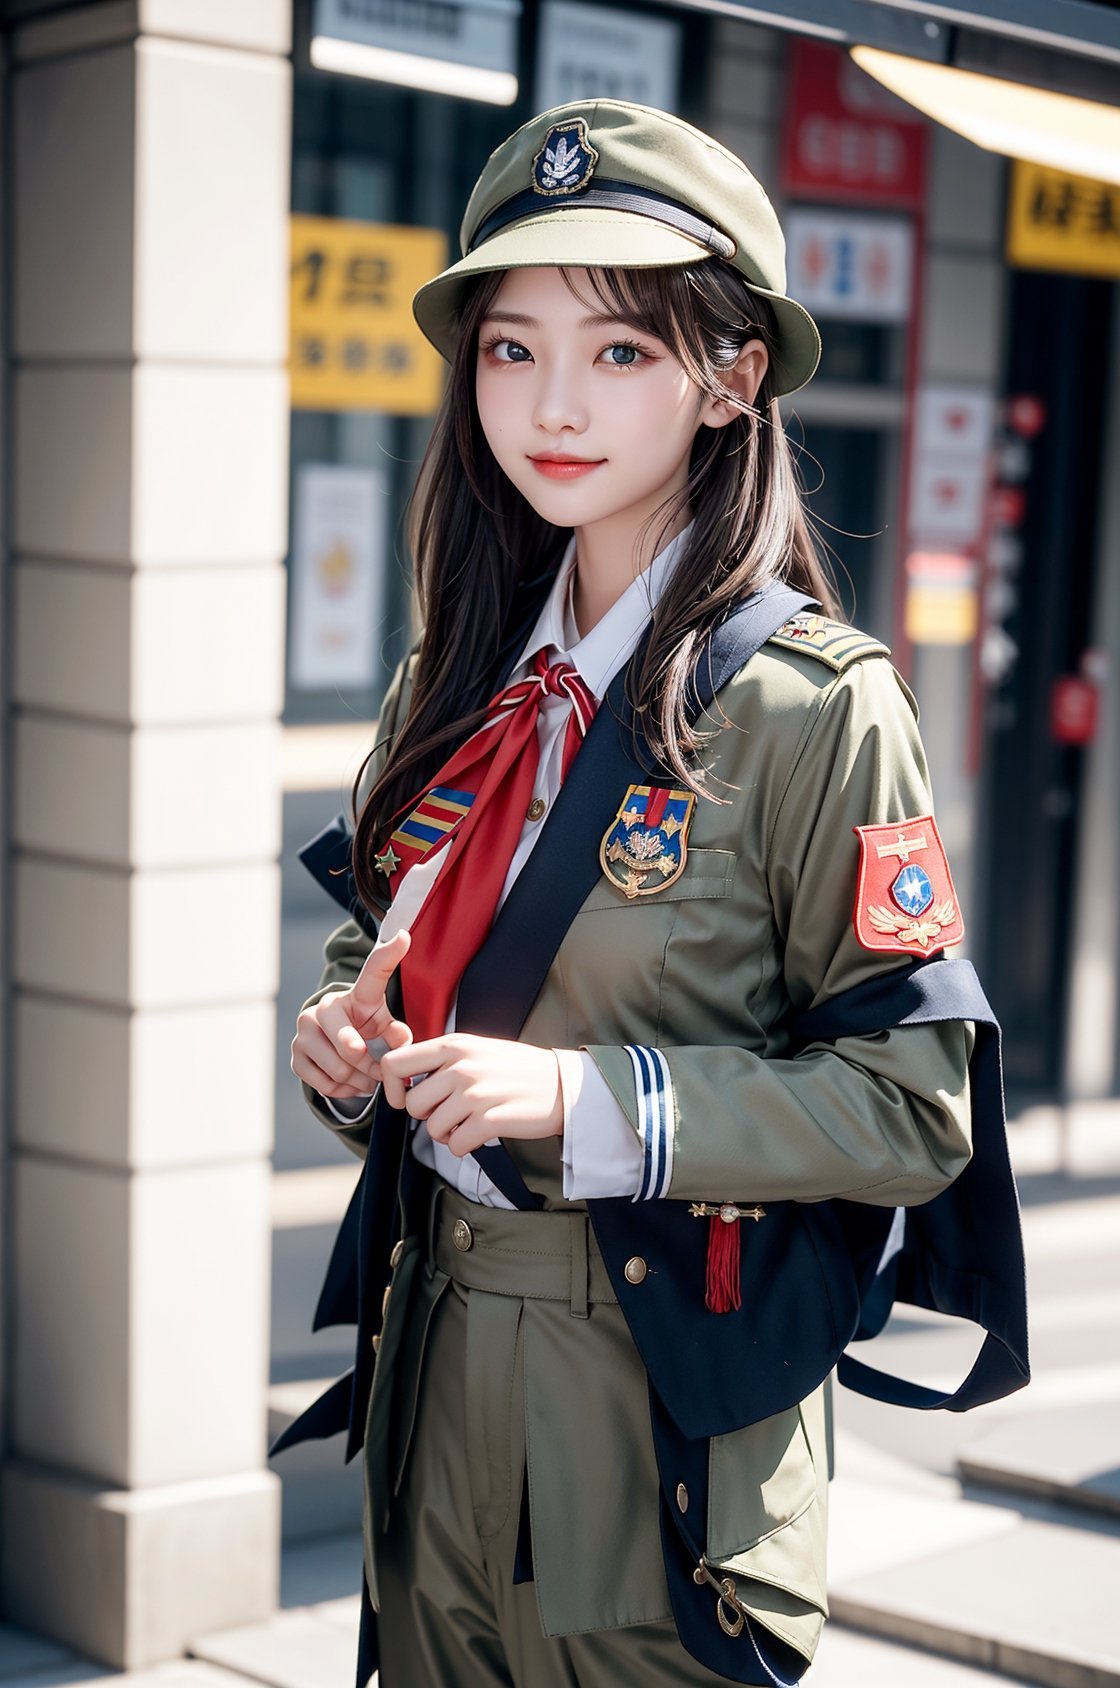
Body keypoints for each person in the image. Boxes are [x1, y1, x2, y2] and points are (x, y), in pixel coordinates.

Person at [286, 100, 1026, 1688]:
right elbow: (398, 942)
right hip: (432, 1375)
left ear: (731, 372)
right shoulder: (459, 670)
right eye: (509, 347)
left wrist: (581, 1096)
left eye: (620, 351)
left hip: (655, 1406)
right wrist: (352, 1044)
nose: (551, 403)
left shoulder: (819, 710)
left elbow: (914, 1109)